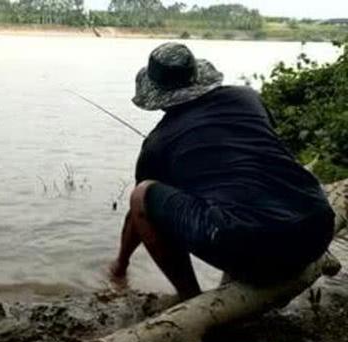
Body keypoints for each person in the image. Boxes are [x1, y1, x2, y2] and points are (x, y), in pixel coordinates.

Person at [108, 42, 335, 300]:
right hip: (317, 229)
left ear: (157, 97)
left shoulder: (158, 142)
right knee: (240, 197)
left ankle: (189, 296)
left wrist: (120, 265)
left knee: (142, 194)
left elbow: (137, 215)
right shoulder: (247, 96)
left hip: (252, 244)